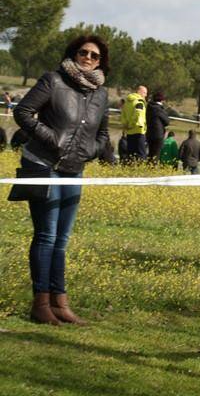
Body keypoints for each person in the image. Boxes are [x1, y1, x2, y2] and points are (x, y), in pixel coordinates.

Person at [12, 34, 110, 325]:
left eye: (95, 56)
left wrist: (90, 150)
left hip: (75, 170)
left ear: (101, 61)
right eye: (84, 52)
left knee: (62, 239)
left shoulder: (101, 94)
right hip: (43, 164)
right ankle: (40, 303)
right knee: (46, 235)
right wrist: (52, 138)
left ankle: (60, 303)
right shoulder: (53, 81)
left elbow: (103, 134)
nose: (88, 58)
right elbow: (23, 112)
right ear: (74, 53)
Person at [121, 85, 148, 161]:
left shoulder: (127, 102)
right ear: (139, 92)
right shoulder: (139, 102)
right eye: (145, 93)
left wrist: (125, 125)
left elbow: (123, 114)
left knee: (130, 154)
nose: (145, 95)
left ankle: (129, 169)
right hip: (138, 131)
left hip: (129, 132)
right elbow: (137, 115)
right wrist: (131, 125)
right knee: (141, 155)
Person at [146, 91, 170, 163]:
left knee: (150, 153)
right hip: (158, 135)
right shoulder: (159, 108)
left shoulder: (149, 107)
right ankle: (152, 170)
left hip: (149, 133)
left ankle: (147, 167)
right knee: (156, 155)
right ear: (162, 100)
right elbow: (167, 121)